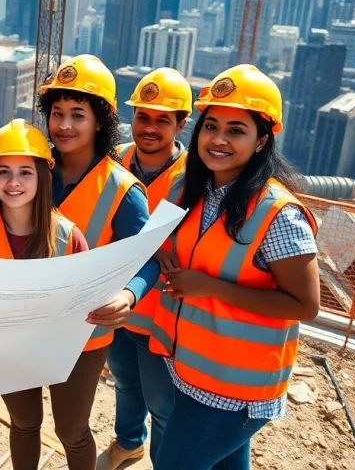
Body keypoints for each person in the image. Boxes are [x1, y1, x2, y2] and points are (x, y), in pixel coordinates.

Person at [149, 65, 319, 470]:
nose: (219, 139)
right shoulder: (192, 189)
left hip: (237, 391)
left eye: (236, 130)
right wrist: (161, 253)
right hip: (190, 370)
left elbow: (304, 304)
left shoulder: (276, 213)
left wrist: (208, 286)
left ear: (262, 140)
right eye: (211, 126)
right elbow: (162, 239)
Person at [36, 54, 160, 470]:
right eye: (57, 113)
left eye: (77, 114)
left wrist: (129, 293)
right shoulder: (33, 170)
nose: (64, 125)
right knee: (23, 419)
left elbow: (149, 259)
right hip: (26, 320)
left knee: (70, 430)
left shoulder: (123, 190)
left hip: (82, 333)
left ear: (101, 121)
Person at [0, 119, 93, 470]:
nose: (13, 183)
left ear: (42, 176)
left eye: (25, 172)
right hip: (10, 345)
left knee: (72, 432)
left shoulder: (67, 235)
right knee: (25, 423)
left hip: (68, 344)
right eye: (4, 172)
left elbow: (87, 295)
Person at [98, 68, 191, 469]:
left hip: (164, 315)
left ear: (180, 124)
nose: (149, 128)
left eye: (161, 120)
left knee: (164, 406)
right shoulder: (114, 159)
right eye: (143, 117)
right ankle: (130, 442)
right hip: (118, 308)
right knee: (125, 384)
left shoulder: (194, 177)